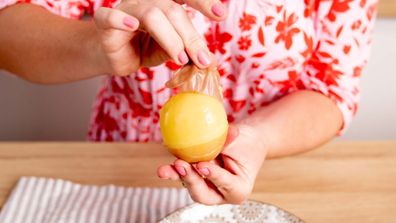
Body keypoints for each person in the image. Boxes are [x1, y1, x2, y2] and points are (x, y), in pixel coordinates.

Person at [0, 0, 378, 205]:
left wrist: (257, 138)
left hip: (277, 176)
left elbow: (332, 89)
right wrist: (97, 48)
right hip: (121, 175)